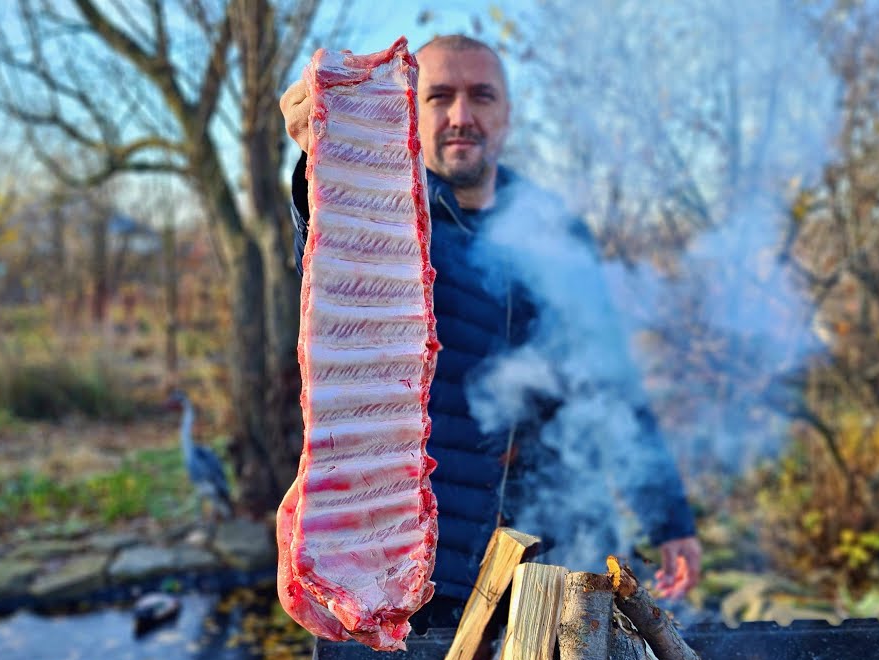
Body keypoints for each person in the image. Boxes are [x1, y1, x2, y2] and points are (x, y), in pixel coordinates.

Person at [278, 34, 701, 630]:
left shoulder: (555, 229)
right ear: (410, 106)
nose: (460, 116)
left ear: (506, 113)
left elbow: (611, 384)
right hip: (428, 566)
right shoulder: (384, 210)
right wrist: (323, 167)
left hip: (560, 553)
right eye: (439, 96)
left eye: (481, 96)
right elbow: (328, 269)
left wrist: (670, 521)